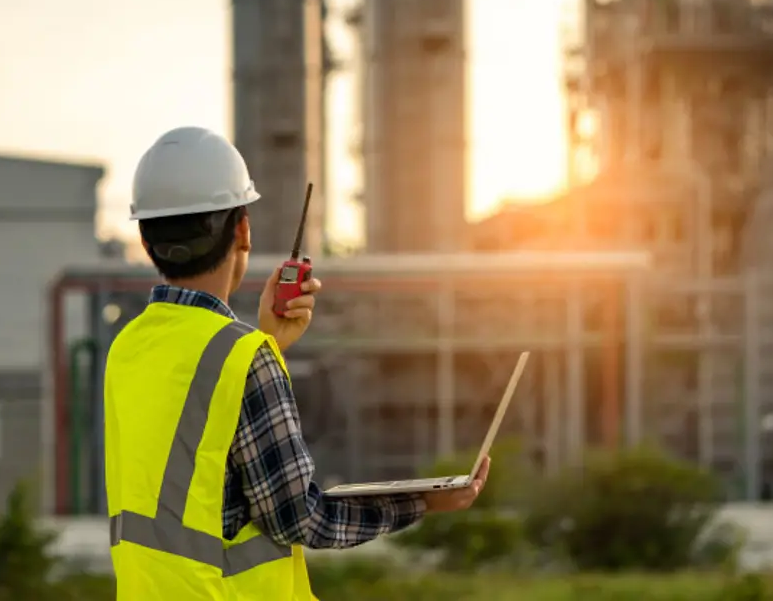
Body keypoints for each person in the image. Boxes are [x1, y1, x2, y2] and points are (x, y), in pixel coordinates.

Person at [104, 126, 490, 599]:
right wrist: (422, 502)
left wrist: (265, 341)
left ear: (145, 238)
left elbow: (197, 479)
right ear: (242, 228)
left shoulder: (128, 349)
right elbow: (300, 517)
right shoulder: (243, 359)